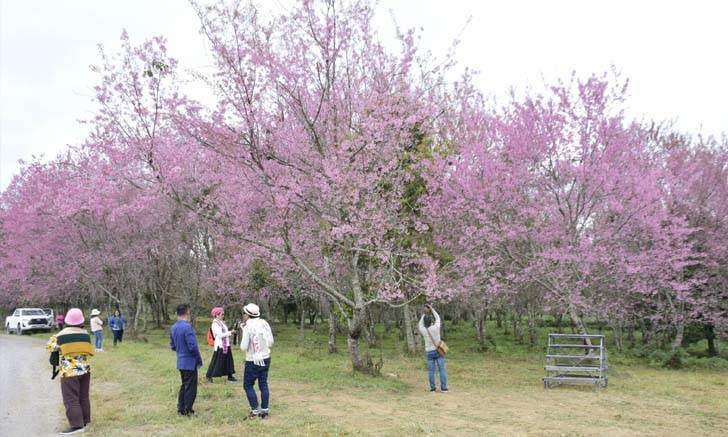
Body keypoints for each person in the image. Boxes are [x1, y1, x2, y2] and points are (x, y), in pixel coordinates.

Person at [47, 308, 95, 435]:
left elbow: (50, 347)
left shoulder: (60, 336)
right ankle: (85, 420)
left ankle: (76, 426)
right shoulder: (85, 334)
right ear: (81, 321)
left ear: (67, 320)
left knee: (71, 399)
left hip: (69, 372)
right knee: (83, 396)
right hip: (85, 370)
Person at [239, 303, 274, 420]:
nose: (243, 315)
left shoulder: (248, 327)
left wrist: (243, 331)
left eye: (244, 313)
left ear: (247, 315)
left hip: (252, 360)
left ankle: (254, 410)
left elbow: (243, 347)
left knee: (248, 385)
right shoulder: (264, 323)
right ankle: (265, 411)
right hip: (266, 357)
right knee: (263, 383)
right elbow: (271, 341)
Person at [170, 303, 203, 416]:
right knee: (191, 387)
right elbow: (192, 346)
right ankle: (188, 410)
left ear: (176, 313)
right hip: (189, 361)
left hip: (180, 360)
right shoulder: (187, 327)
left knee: (184, 385)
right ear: (188, 312)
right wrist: (198, 359)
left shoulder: (173, 327)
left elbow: (173, 345)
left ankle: (181, 408)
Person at [418, 304, 448, 392]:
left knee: (431, 371)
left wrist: (424, 313)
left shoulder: (423, 330)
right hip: (438, 351)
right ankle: (444, 388)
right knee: (441, 369)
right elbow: (438, 318)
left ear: (424, 323)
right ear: (431, 321)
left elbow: (420, 324)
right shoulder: (436, 327)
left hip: (429, 352)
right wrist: (432, 310)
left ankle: (433, 389)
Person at [205, 307, 238, 383]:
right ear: (217, 315)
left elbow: (224, 333)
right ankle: (209, 376)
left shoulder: (222, 323)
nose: (223, 316)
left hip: (226, 345)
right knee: (216, 361)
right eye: (222, 314)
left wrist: (230, 333)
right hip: (220, 346)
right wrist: (230, 332)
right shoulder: (215, 324)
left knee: (228, 361)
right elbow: (219, 335)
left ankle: (230, 376)